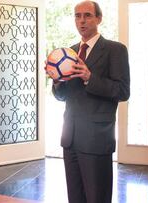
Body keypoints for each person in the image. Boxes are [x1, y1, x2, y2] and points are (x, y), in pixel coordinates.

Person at [50, 1, 130, 203]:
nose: (82, 20)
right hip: (70, 138)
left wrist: (89, 77)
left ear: (99, 18)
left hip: (96, 139)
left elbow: (122, 91)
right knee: (75, 198)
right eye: (77, 16)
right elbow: (62, 96)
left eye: (87, 15)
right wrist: (57, 80)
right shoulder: (69, 52)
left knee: (97, 198)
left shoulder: (115, 50)